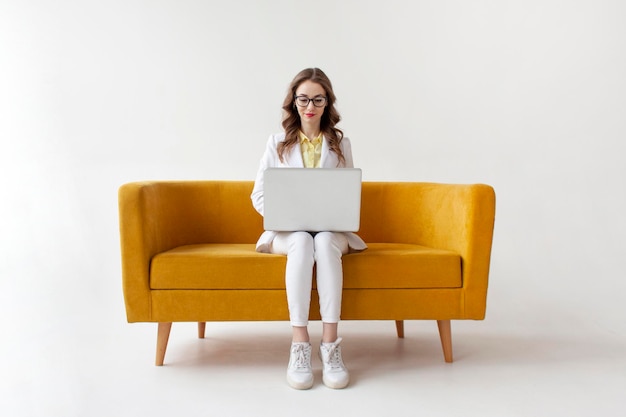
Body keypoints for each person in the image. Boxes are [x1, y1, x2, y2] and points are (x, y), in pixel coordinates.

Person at [251, 68, 367, 390]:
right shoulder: (276, 144)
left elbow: (349, 191)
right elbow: (258, 194)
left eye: (318, 99)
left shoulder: (340, 143)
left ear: (327, 102)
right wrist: (280, 214)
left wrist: (338, 213)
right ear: (294, 102)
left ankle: (330, 346)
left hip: (331, 230)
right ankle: (299, 345)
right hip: (288, 233)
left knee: (325, 239)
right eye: (303, 99)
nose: (310, 106)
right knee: (302, 241)